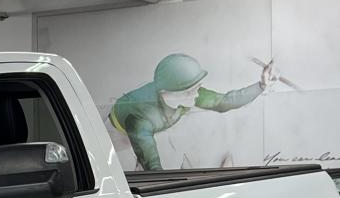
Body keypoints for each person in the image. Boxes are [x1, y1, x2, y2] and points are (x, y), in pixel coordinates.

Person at [110, 53, 275, 170]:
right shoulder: (142, 117)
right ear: (166, 93)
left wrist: (261, 85)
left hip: (155, 125)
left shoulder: (186, 94)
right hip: (117, 135)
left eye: (197, 88)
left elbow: (224, 101)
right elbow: (152, 164)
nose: (196, 95)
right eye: (190, 91)